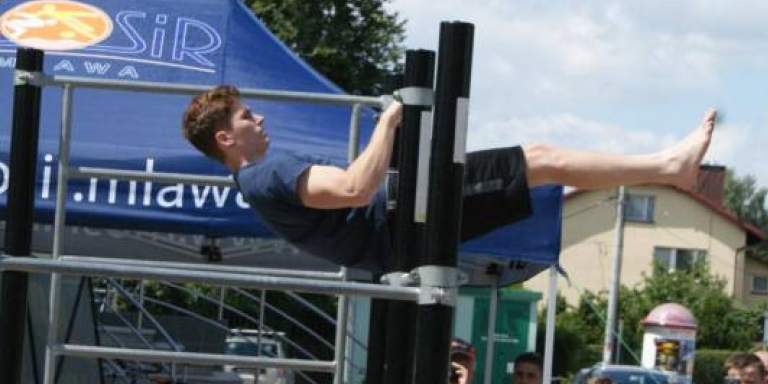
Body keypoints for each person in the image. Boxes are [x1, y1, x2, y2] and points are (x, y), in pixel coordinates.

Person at [181, 85, 717, 272]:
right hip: (403, 215)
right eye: (247, 118)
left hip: (398, 229)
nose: (260, 119)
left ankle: (668, 168)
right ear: (226, 140)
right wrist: (390, 122)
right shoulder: (266, 172)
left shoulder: (254, 182)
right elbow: (353, 189)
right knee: (542, 158)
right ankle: (669, 168)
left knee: (541, 163)